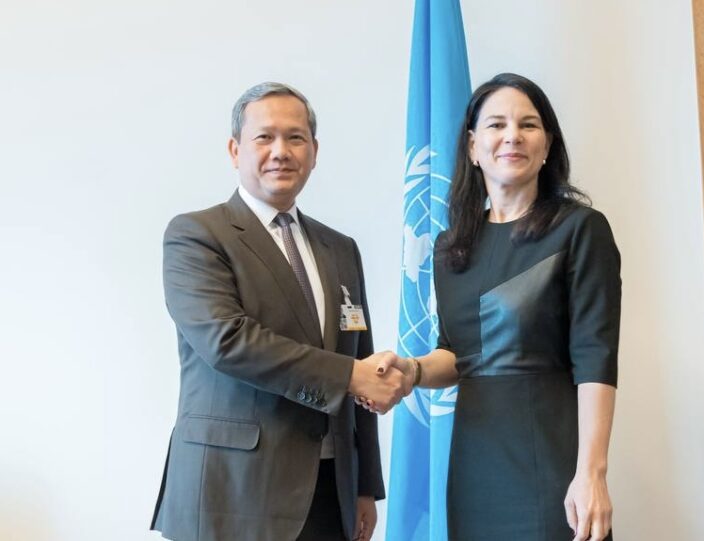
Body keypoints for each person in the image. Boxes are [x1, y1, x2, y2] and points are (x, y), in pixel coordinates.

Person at [150, 82, 408, 541]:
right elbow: (228, 342)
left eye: (295, 138)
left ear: (314, 151)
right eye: (264, 137)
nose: (281, 151)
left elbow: (359, 358)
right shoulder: (197, 236)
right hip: (232, 494)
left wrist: (364, 484)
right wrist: (350, 375)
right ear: (235, 150)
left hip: (330, 494)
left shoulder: (340, 248)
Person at [372, 73, 621, 540]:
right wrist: (412, 371)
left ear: (547, 145)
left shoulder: (581, 230)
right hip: (474, 467)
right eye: (496, 125)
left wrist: (592, 472)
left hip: (550, 462)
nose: (512, 136)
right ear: (472, 146)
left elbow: (596, 357)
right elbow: (458, 355)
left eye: (528, 125)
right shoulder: (451, 246)